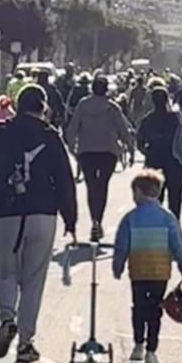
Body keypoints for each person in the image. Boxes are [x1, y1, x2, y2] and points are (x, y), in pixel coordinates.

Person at [0, 85, 77, 363]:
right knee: (33, 279)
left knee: (5, 271)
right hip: (43, 213)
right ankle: (26, 343)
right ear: (43, 107)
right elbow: (64, 178)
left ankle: (7, 318)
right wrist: (70, 217)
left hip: (6, 212)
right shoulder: (50, 137)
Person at [112, 169, 182, 363]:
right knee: (156, 309)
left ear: (138, 191)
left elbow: (122, 245)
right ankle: (151, 351)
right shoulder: (168, 217)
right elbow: (178, 243)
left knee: (138, 306)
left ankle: (138, 344)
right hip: (160, 272)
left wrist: (118, 266)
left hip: (138, 270)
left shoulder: (131, 218)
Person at [65, 75, 135, 242]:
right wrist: (131, 149)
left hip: (86, 151)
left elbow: (72, 129)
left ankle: (94, 220)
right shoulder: (112, 107)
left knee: (91, 186)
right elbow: (124, 130)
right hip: (108, 152)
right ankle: (98, 220)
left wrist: (71, 147)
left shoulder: (82, 105)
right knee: (102, 186)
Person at [136, 87, 182, 218]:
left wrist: (148, 153)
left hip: (155, 163)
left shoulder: (147, 120)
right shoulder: (176, 119)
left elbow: (139, 142)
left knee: (154, 200)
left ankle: (157, 227)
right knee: (175, 200)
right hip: (175, 162)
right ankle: (174, 226)